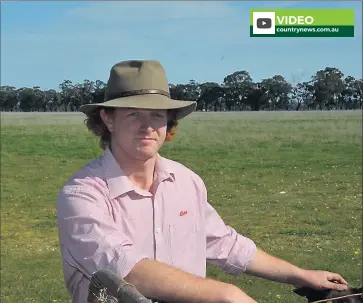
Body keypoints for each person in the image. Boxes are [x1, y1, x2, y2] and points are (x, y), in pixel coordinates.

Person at [56, 60, 348, 303]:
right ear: (108, 120)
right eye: (133, 113)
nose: (147, 126)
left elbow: (225, 244)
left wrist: (301, 275)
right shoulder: (82, 195)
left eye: (157, 115)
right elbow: (125, 270)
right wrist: (226, 294)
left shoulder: (185, 181)